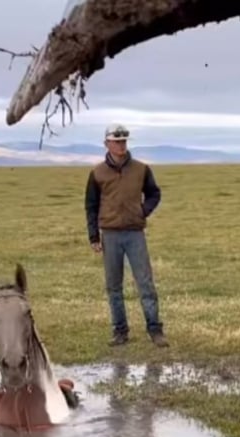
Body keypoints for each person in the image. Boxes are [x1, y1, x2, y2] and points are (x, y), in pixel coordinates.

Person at [84, 123, 168, 348]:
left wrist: (142, 211)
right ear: (107, 144)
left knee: (145, 283)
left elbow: (154, 193)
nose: (121, 145)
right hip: (110, 234)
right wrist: (93, 236)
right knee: (114, 286)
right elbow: (90, 206)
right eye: (116, 141)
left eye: (124, 141)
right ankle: (120, 331)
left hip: (134, 233)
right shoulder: (97, 173)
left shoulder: (141, 169)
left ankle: (155, 330)